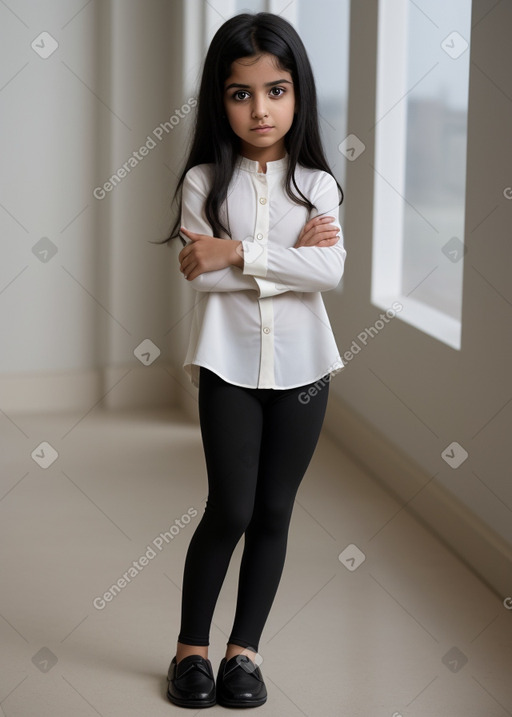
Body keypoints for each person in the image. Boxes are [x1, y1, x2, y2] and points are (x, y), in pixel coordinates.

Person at [160, 11, 346, 709]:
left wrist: (235, 249)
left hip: (306, 371)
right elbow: (196, 274)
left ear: (298, 95)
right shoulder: (205, 180)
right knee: (230, 507)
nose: (261, 108)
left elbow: (327, 272)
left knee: (274, 509)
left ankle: (244, 652)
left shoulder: (317, 186)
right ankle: (190, 651)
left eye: (277, 90)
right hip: (227, 367)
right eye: (242, 93)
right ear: (221, 99)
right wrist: (287, 260)